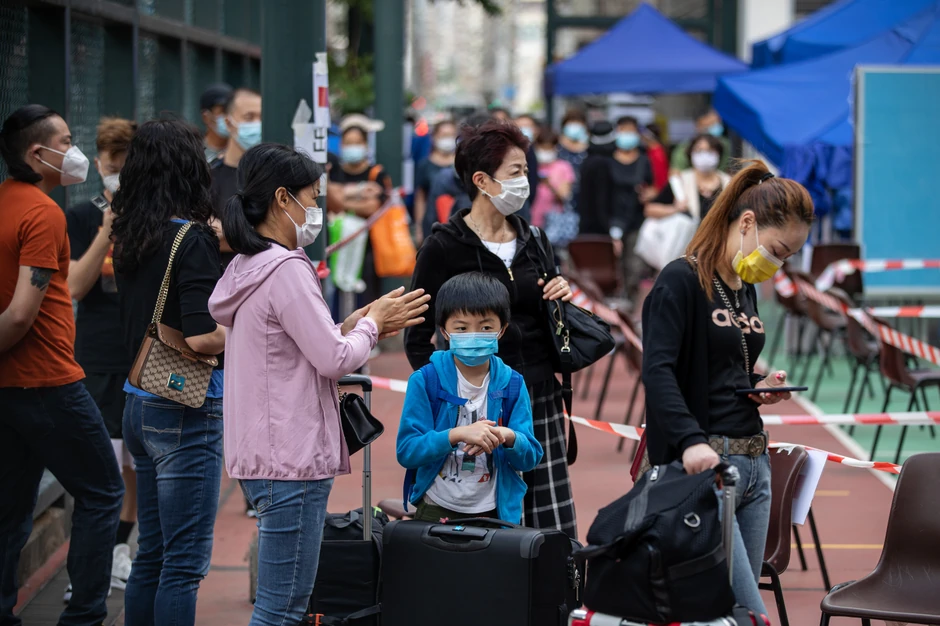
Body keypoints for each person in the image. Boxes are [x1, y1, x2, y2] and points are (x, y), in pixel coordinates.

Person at [208, 143, 429, 625]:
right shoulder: (286, 268)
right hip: (289, 454)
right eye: (312, 196)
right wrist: (371, 326)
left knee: (282, 602)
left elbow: (306, 343)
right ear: (283, 199)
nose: (318, 208)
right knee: (283, 606)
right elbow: (332, 358)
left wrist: (363, 321)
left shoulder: (251, 264)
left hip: (268, 451)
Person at [640, 161, 814, 614]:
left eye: (789, 256)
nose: (779, 262)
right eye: (779, 249)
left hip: (755, 465)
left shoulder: (743, 285)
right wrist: (692, 442)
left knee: (728, 612)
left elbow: (724, 366)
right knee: (747, 610)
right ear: (748, 223)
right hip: (708, 466)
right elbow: (658, 371)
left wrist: (757, 384)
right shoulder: (680, 279)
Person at [405, 119, 578, 539]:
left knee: (551, 520)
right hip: (472, 404)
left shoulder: (534, 238)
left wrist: (560, 293)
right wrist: (452, 389)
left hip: (536, 390)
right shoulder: (444, 245)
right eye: (516, 172)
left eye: (526, 170)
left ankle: (555, 602)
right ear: (482, 180)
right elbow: (415, 334)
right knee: (482, 518)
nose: (527, 181)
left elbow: (552, 320)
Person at [0, 104, 124, 626]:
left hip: (10, 387)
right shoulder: (43, 211)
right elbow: (21, 315)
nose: (74, 152)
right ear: (38, 152)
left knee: (10, 508)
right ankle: (84, 615)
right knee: (103, 491)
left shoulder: (7, 203)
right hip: (49, 382)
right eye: (68, 141)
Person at [111, 119, 227, 626]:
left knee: (153, 554)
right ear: (189, 169)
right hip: (185, 406)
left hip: (139, 397)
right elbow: (203, 335)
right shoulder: (192, 239)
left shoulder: (132, 233)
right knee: (183, 565)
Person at [397, 272, 542, 524]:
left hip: (495, 513)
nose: (474, 335)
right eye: (461, 328)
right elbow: (407, 451)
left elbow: (529, 457)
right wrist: (456, 435)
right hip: (435, 508)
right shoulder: (425, 381)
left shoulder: (513, 384)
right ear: (444, 331)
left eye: (486, 327)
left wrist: (508, 437)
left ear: (502, 329)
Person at [65, 116, 138, 599]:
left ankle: (121, 547)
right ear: (98, 166)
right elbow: (74, 285)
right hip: (97, 354)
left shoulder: (156, 215)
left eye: (124, 168)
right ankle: (97, 556)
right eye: (109, 169)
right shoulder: (80, 215)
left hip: (145, 355)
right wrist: (107, 230)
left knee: (135, 462)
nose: (115, 177)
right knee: (101, 461)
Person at [329, 114, 393, 307]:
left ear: (366, 144)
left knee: (366, 299)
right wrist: (359, 195)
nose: (352, 147)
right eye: (348, 143)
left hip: (368, 249)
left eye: (357, 142)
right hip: (338, 245)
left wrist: (343, 199)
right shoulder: (334, 171)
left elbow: (373, 207)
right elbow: (330, 201)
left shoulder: (377, 173)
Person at [210, 88, 262, 266]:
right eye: (249, 117)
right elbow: (200, 237)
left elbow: (276, 238)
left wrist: (227, 234)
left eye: (261, 117)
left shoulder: (272, 176)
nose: (257, 124)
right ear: (228, 123)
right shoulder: (207, 177)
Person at [610, 116, 654, 305]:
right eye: (623, 130)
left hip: (636, 217)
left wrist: (647, 195)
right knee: (612, 264)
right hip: (611, 217)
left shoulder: (644, 160)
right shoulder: (608, 159)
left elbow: (653, 187)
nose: (627, 135)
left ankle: (633, 300)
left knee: (634, 263)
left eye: (631, 130)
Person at [646, 133, 730, 224]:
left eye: (710, 151)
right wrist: (675, 209)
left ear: (719, 154)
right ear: (690, 154)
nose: (704, 155)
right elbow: (650, 209)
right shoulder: (680, 181)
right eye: (699, 150)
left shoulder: (729, 182)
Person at [414, 120, 457, 243]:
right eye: (443, 135)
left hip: (458, 223)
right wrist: (419, 227)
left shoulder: (462, 164)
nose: (447, 139)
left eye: (450, 135)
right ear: (434, 137)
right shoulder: (425, 165)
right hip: (432, 223)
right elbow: (420, 198)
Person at [575, 120, 617, 237]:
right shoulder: (602, 164)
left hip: (587, 227)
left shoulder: (589, 161)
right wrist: (608, 230)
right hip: (598, 230)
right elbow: (601, 199)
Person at [530, 128, 575, 229]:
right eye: (542, 148)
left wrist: (549, 184)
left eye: (549, 148)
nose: (545, 151)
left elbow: (564, 195)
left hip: (553, 222)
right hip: (530, 220)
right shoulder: (529, 166)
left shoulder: (563, 167)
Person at [670, 108, 732, 173]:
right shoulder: (683, 148)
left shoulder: (725, 144)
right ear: (698, 125)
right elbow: (676, 173)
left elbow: (728, 170)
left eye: (717, 123)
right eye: (710, 124)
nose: (715, 127)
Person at [200, 83, 233, 164]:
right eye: (223, 111)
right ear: (206, 117)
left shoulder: (243, 151)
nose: (228, 117)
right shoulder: (193, 152)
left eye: (231, 110)